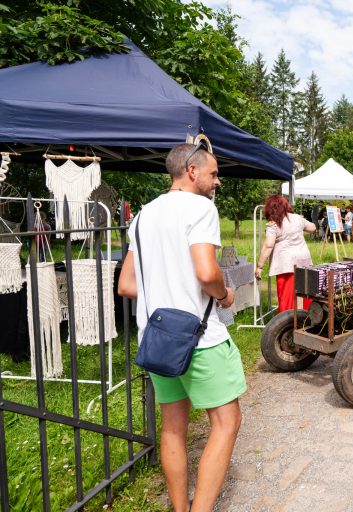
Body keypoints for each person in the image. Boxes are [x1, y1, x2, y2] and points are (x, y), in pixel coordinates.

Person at [117, 143, 245, 512]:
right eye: (214, 173)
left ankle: (180, 508)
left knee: (173, 426)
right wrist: (224, 295)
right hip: (200, 338)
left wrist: (166, 283)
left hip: (156, 336)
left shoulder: (143, 215)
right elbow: (207, 273)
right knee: (226, 422)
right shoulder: (201, 208)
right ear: (192, 170)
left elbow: (126, 285)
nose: (216, 182)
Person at [256, 194, 316, 312]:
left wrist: (259, 266)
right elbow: (312, 228)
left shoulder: (273, 224)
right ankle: (307, 319)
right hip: (303, 260)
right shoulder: (297, 218)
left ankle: (287, 324)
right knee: (306, 294)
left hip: (286, 264)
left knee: (286, 298)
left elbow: (268, 245)